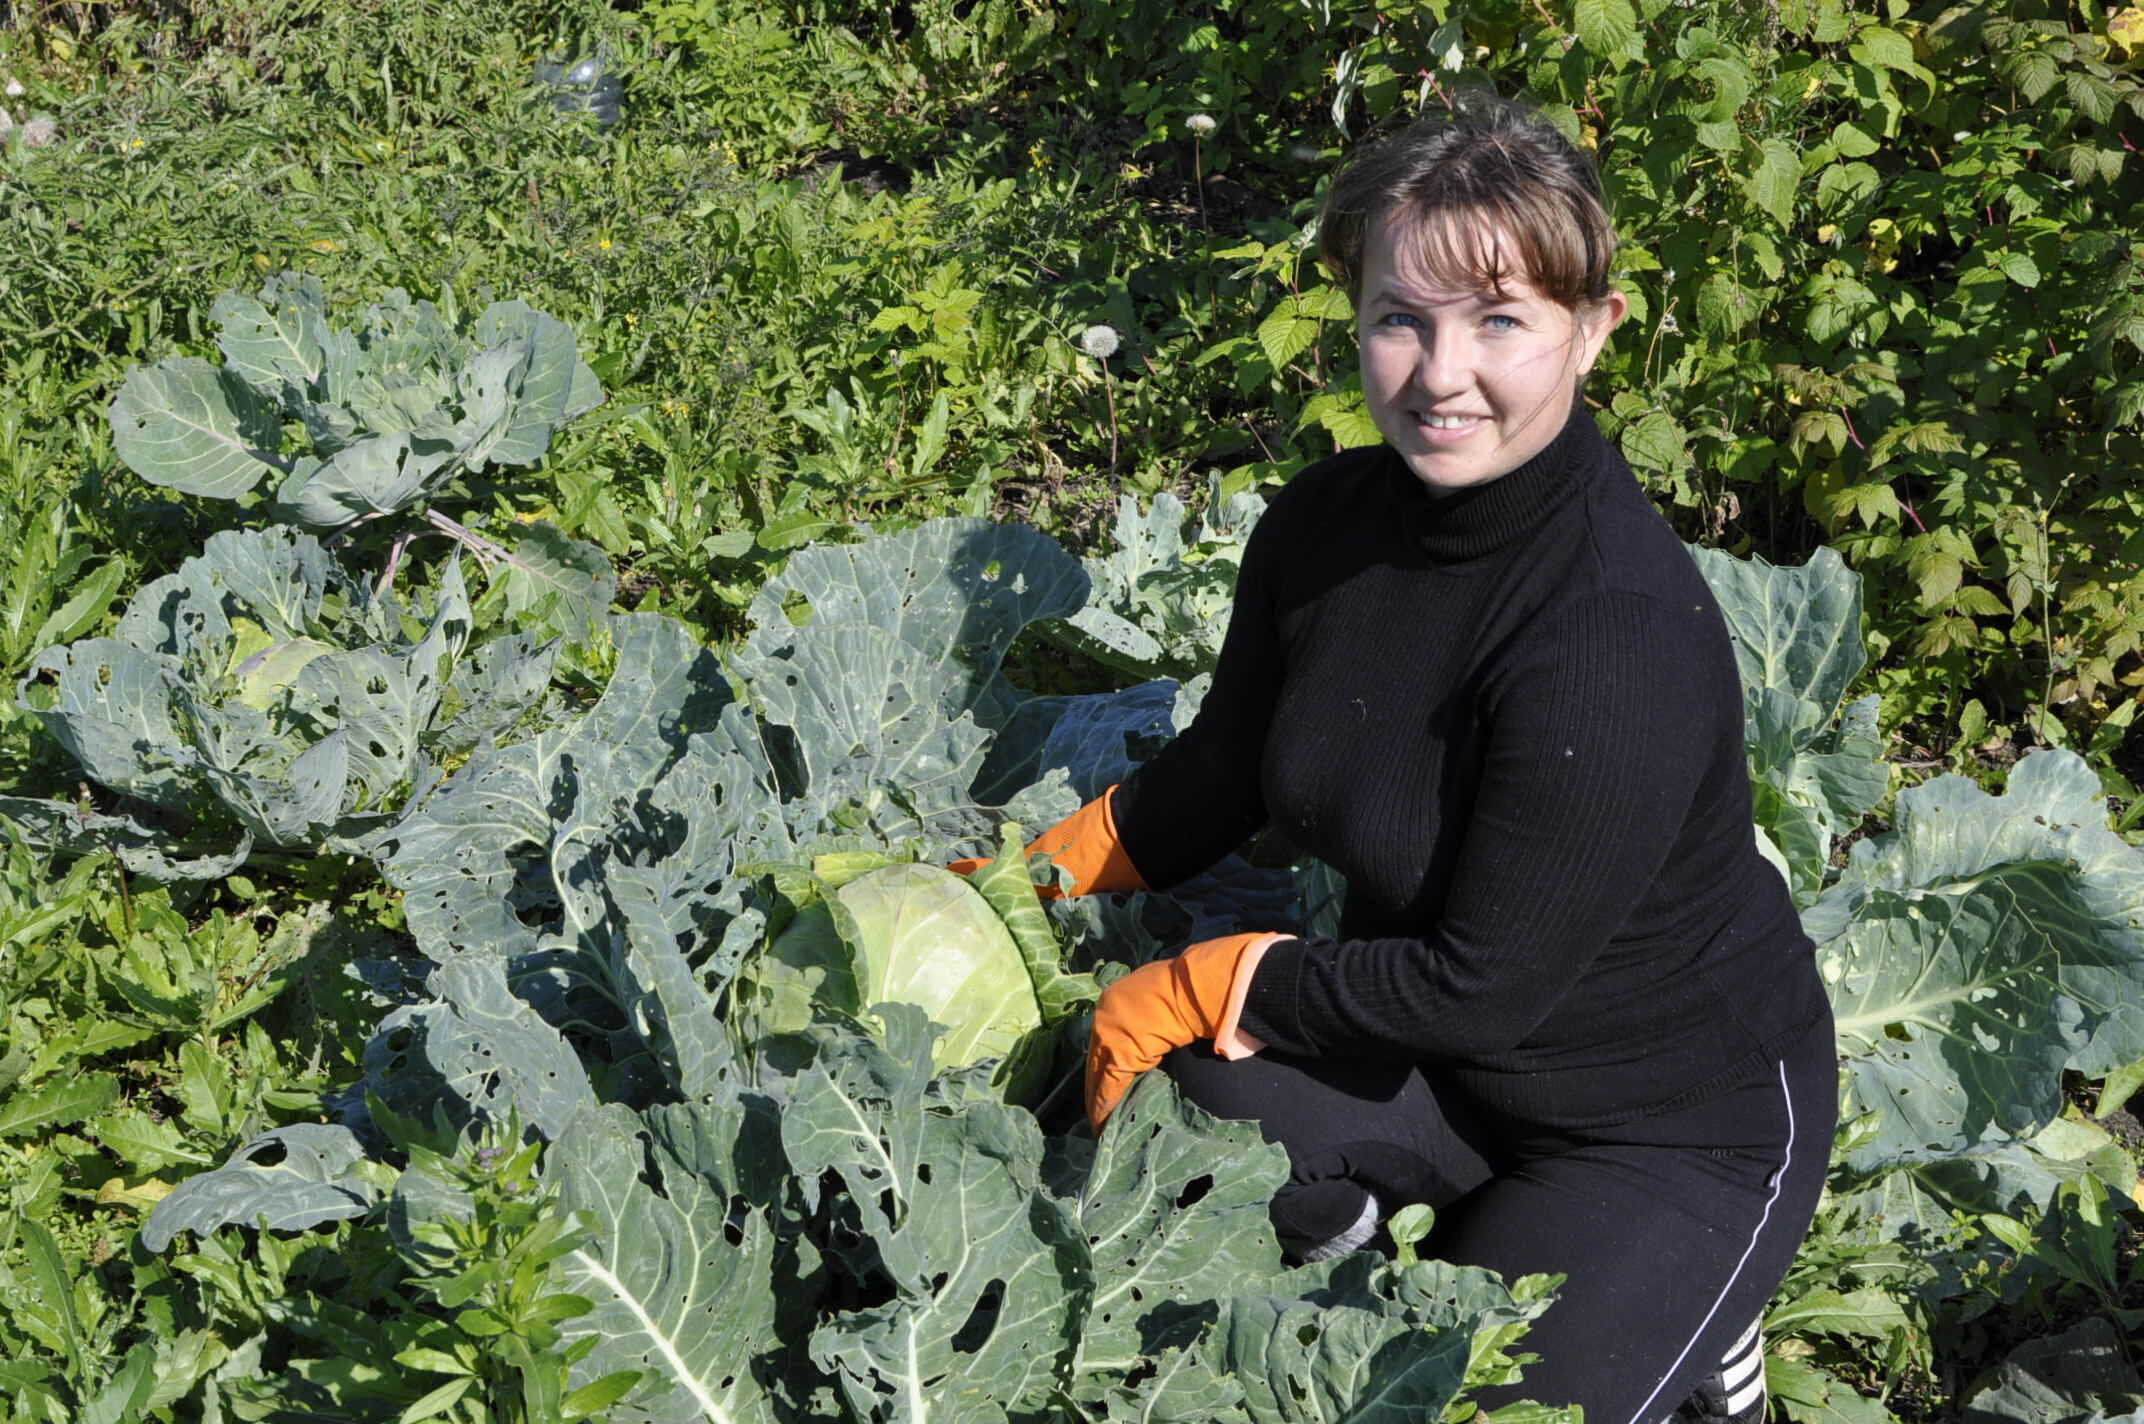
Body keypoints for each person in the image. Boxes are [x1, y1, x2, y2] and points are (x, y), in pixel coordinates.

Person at [978, 98, 1836, 1424]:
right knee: (1203, 1122)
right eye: (1402, 317)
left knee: (1468, 1407)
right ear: (1357, 318)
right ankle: (1418, 1265)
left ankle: (1702, 1340)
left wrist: (1193, 979)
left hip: (1662, 1129)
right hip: (1439, 1072)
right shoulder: (1326, 525)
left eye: (1500, 319)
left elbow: (1477, 987)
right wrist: (1011, 890)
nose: (1443, 372)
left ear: (1594, 331)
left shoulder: (1615, 634)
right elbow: (1221, 770)